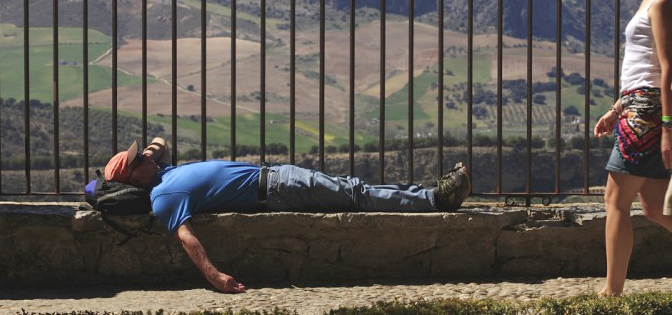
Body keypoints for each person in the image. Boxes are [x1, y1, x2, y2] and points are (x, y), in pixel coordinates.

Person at [104, 138, 471, 293]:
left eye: (142, 156)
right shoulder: (164, 195)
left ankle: (431, 196)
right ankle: (436, 199)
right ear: (133, 177)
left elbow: (161, 143)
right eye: (137, 161)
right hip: (275, 188)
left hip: (274, 179)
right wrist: (214, 276)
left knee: (351, 189)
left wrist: (148, 152)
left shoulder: (161, 172)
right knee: (354, 193)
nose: (145, 158)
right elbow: (184, 234)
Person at [593, 0, 672, 297]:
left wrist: (668, 128)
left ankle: (611, 293)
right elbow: (643, 69)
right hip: (637, 106)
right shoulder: (648, 1)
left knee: (615, 201)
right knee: (656, 209)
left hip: (647, 113)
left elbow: (666, 67)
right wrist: (616, 108)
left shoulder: (662, 2)